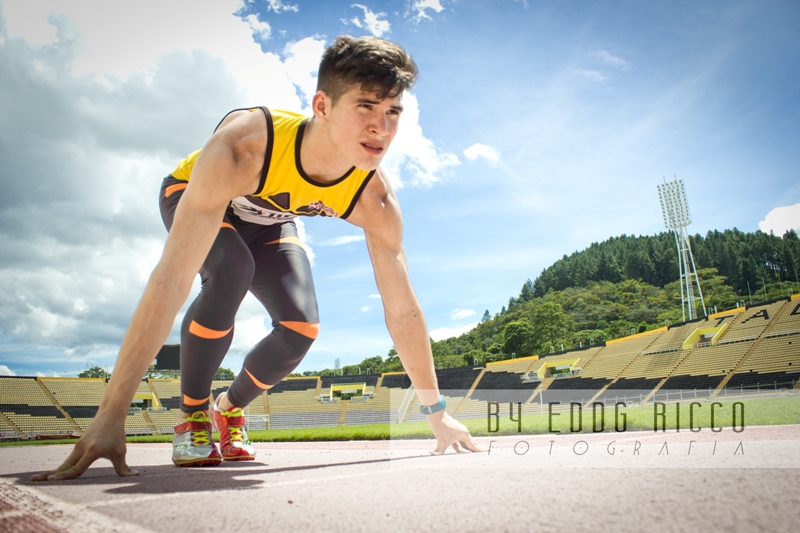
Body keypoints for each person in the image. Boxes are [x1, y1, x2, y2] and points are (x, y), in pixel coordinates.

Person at [32, 35, 483, 481]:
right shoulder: (242, 147)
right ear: (322, 106)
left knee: (302, 327)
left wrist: (437, 413)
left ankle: (226, 411)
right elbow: (170, 281)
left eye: (393, 113)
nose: (381, 129)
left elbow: (402, 309)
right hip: (198, 195)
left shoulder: (374, 197)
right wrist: (110, 414)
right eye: (365, 107)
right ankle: (192, 416)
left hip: (270, 216)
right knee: (232, 270)